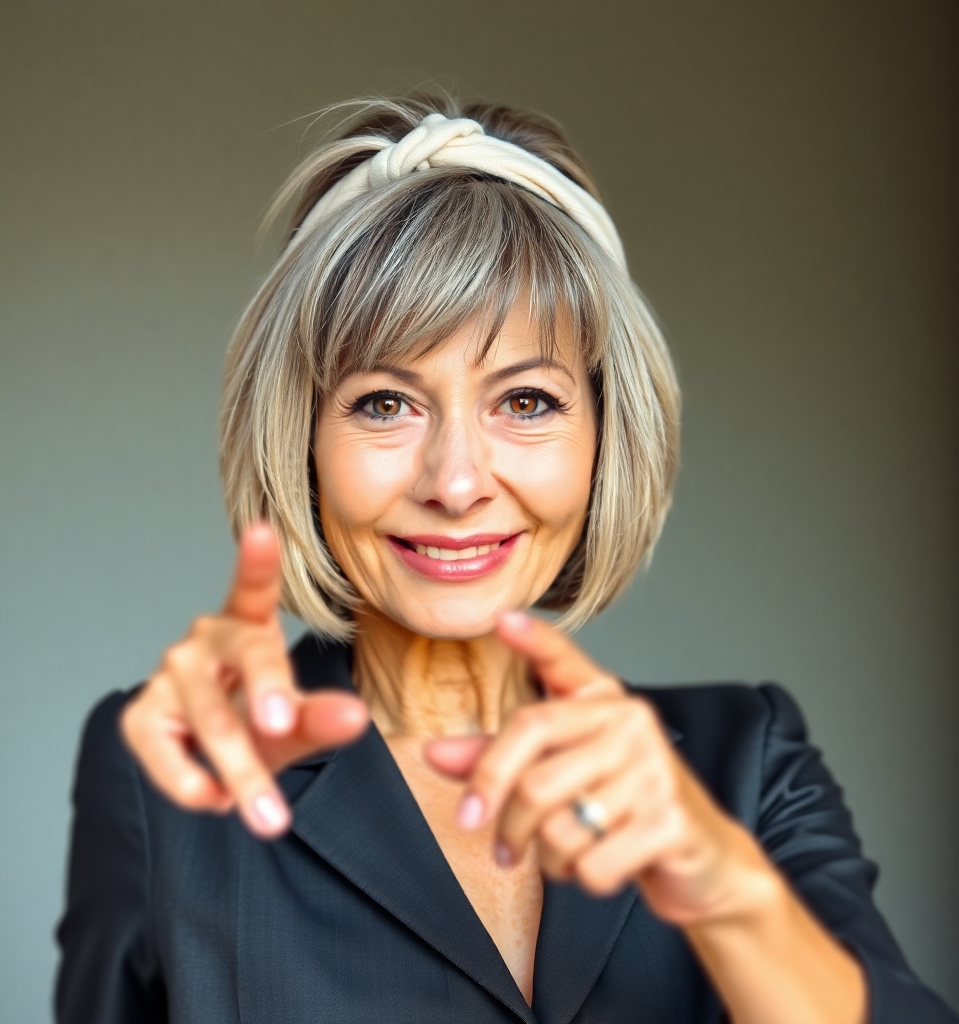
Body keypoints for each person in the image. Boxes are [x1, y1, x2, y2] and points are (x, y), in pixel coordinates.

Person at [54, 94, 957, 1024]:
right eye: (383, 403)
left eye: (525, 402)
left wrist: (729, 894)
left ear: (606, 435)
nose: (455, 482)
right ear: (302, 442)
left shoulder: (747, 764)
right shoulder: (165, 777)